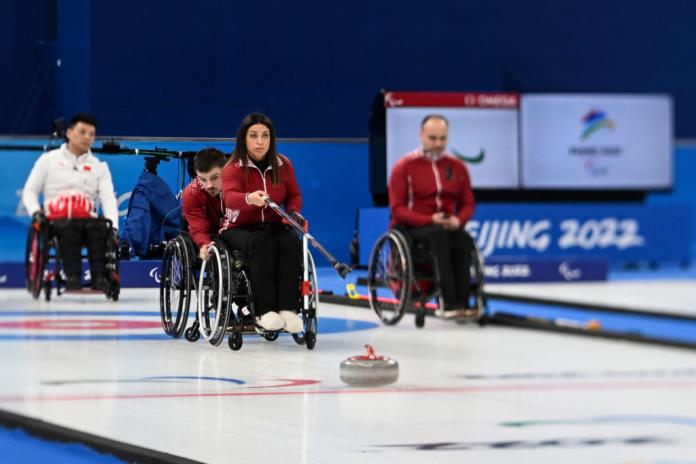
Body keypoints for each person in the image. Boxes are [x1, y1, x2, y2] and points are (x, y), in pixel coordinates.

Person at [220, 113, 304, 333]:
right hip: (239, 227)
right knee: (262, 242)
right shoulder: (233, 167)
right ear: (244, 139)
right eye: (254, 136)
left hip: (275, 225)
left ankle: (288, 309)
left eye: (265, 136)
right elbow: (229, 198)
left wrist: (293, 212)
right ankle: (263, 312)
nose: (260, 142)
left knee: (290, 242)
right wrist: (248, 198)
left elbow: (294, 195)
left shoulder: (283, 164)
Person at [388, 114, 476, 317]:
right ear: (421, 135)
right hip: (412, 228)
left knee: (463, 239)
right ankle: (448, 302)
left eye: (442, 139)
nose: (438, 143)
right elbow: (397, 209)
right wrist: (429, 220)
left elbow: (468, 203)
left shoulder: (457, 166)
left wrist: (458, 220)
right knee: (439, 236)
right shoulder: (404, 167)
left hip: (445, 226)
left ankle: (463, 303)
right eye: (433, 138)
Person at [22, 113, 118, 291]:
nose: (87, 137)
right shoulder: (48, 160)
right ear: (69, 133)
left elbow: (108, 198)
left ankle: (99, 278)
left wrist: (114, 228)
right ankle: (73, 277)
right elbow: (29, 191)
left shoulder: (99, 166)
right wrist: (35, 212)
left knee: (99, 226)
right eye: (82, 132)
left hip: (88, 220)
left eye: (91, 134)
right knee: (69, 226)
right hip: (57, 222)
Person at [181, 148, 227, 260]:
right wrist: (204, 244)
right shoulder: (191, 194)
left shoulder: (237, 186)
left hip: (231, 231)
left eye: (214, 178)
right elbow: (198, 228)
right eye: (203, 179)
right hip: (207, 232)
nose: (209, 185)